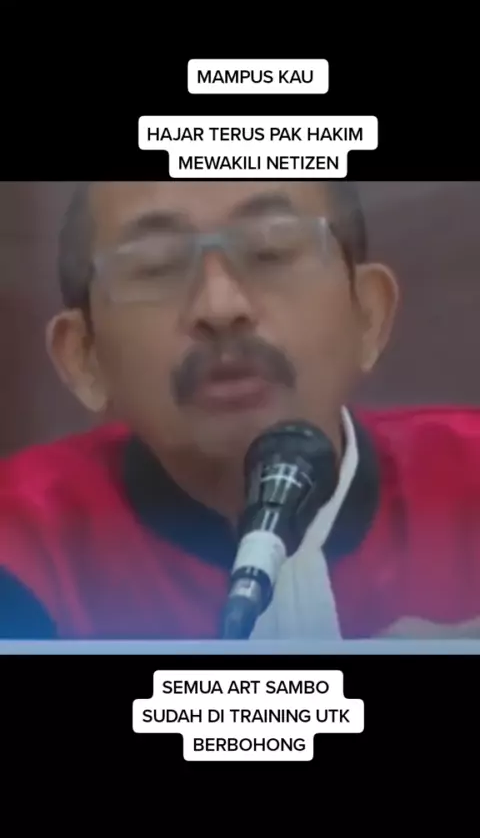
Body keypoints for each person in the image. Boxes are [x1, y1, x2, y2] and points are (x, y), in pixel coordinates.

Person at [1, 179, 480, 640]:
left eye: (271, 252)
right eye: (156, 266)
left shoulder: (465, 480)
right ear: (84, 358)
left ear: (368, 315)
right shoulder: (22, 545)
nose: (220, 306)